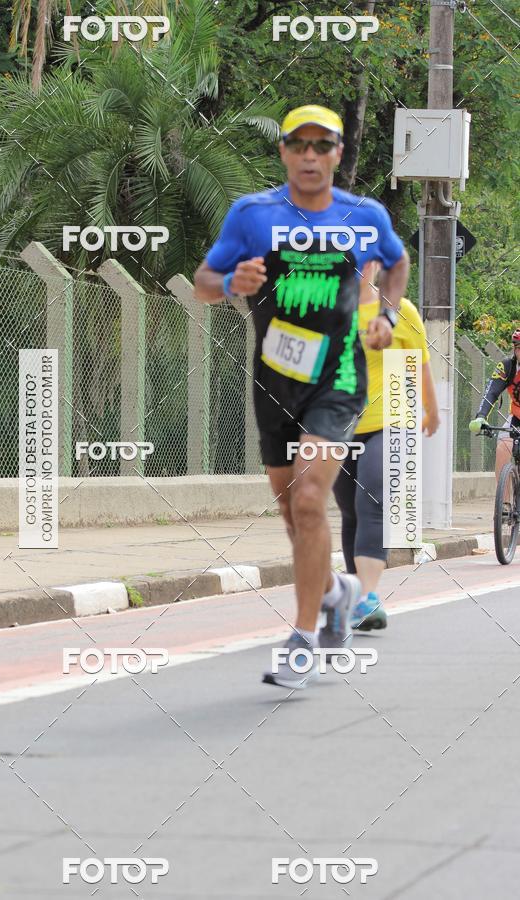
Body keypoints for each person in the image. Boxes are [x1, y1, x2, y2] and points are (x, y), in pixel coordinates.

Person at [193, 104, 409, 689]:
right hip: (274, 381)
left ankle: (303, 638)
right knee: (293, 513)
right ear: (284, 151)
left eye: (323, 145)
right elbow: (204, 283)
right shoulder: (253, 214)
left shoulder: (364, 216)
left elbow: (397, 261)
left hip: (338, 378)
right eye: (300, 145)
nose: (311, 156)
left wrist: (387, 314)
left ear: (339, 152)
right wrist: (230, 283)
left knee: (312, 502)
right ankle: (338, 591)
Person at [332, 260, 440, 632]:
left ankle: (367, 594)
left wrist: (432, 411)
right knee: (349, 509)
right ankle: (357, 597)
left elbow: (420, 364)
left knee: (371, 498)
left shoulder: (399, 311)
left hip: (389, 420)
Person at [469, 330, 520, 479]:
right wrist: (481, 416)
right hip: (516, 418)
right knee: (503, 447)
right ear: (515, 349)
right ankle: (504, 501)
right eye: (519, 348)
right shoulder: (507, 367)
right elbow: (491, 392)